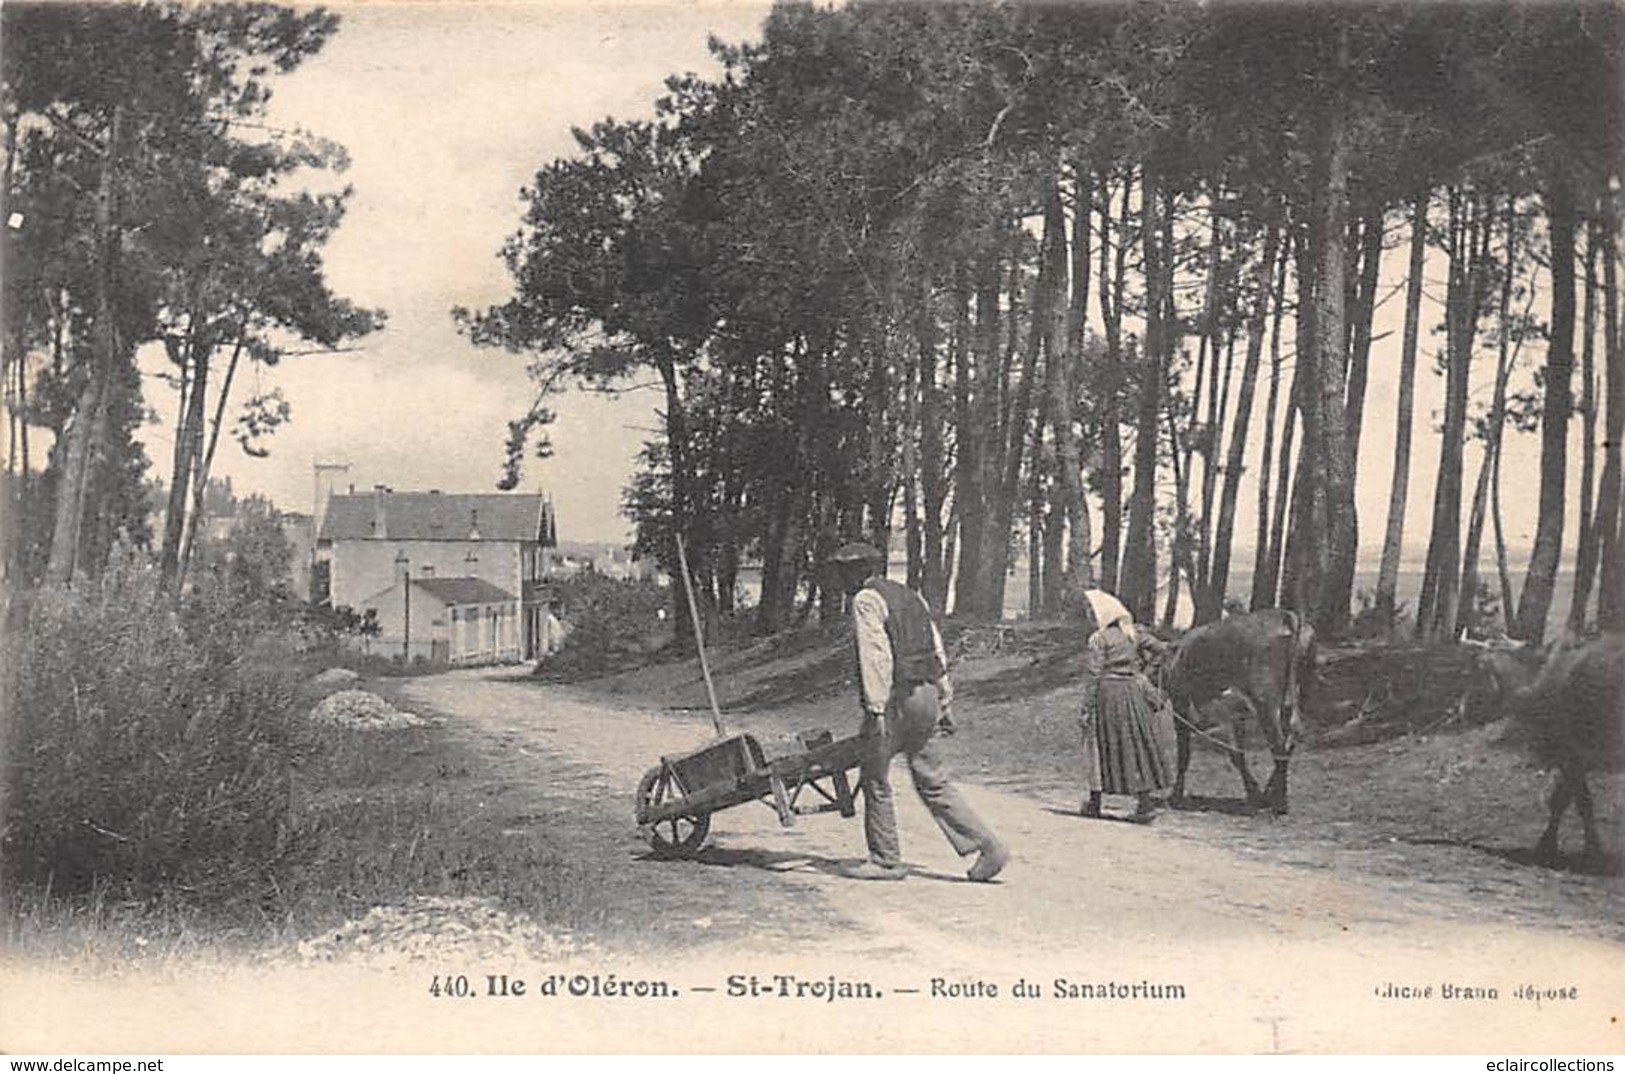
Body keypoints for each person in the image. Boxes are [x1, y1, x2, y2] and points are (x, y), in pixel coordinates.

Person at [828, 542, 1009, 882]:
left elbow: (876, 655)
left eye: (843, 571)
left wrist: (875, 709)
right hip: (926, 693)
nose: (840, 579)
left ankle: (885, 860)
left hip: (897, 698)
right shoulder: (911, 597)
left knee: (875, 775)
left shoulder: (866, 600)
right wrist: (945, 700)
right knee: (933, 779)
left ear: (859, 570)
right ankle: (989, 848)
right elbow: (935, 648)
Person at [1075, 589, 1173, 822]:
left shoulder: (1099, 639)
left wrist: (1086, 708)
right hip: (1133, 692)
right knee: (1135, 743)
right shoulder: (1134, 634)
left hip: (1108, 694)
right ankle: (1145, 802)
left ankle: (1095, 802)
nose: (1090, 615)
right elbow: (1163, 650)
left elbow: (1094, 674)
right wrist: (1144, 673)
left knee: (1099, 744)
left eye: (1092, 612)